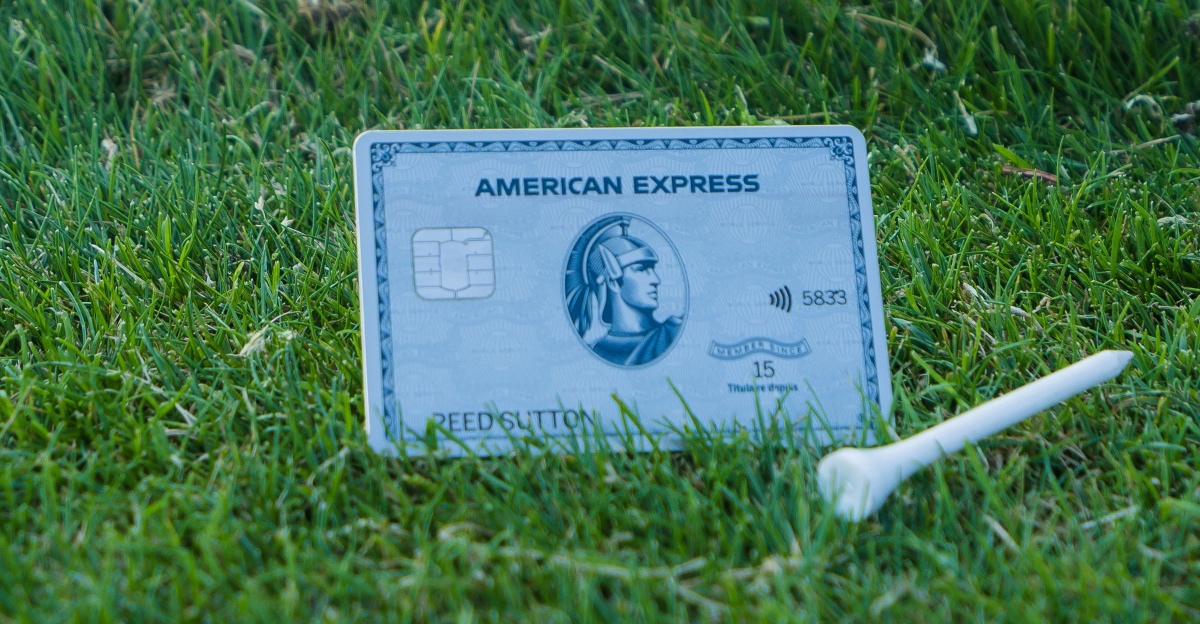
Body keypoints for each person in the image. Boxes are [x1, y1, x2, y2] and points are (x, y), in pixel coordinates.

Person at [564, 216, 683, 366]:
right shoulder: (592, 351)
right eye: (641, 269)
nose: (656, 280)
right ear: (613, 283)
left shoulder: (671, 334)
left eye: (652, 269)